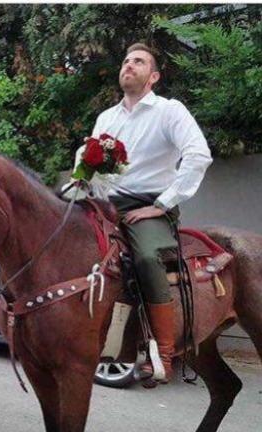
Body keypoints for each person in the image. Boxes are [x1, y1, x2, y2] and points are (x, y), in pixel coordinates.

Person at [77, 43, 212, 384]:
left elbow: (198, 155)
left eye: (138, 62)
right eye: (125, 61)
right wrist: (83, 178)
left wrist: (162, 204)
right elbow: (90, 166)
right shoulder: (106, 118)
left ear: (153, 76)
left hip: (148, 206)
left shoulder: (170, 111)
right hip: (106, 204)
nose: (128, 65)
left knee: (148, 258)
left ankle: (162, 353)